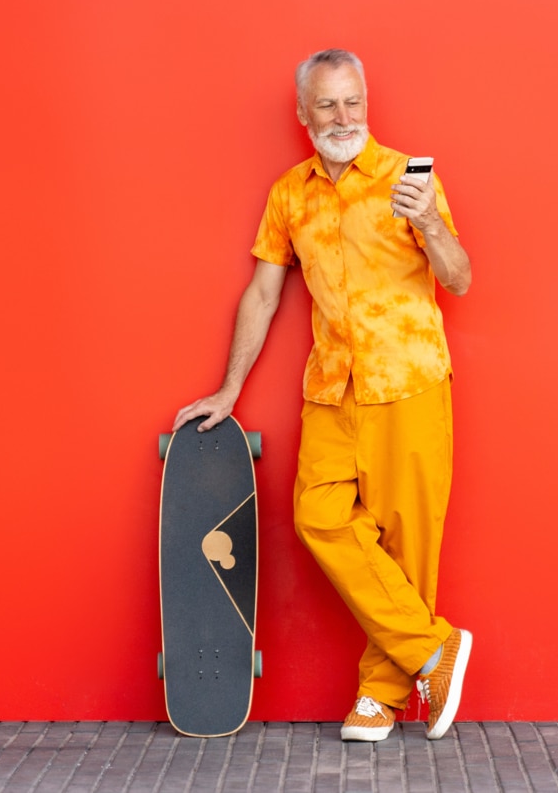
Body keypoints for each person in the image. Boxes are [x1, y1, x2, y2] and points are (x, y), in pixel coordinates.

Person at [173, 48, 473, 743]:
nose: (344, 117)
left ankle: (380, 695)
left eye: (353, 102)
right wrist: (229, 387)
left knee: (406, 548)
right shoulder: (289, 194)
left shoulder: (408, 179)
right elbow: (262, 292)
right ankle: (435, 648)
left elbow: (458, 278)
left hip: (409, 383)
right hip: (331, 387)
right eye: (329, 104)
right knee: (319, 517)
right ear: (304, 114)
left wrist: (428, 222)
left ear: (366, 102)